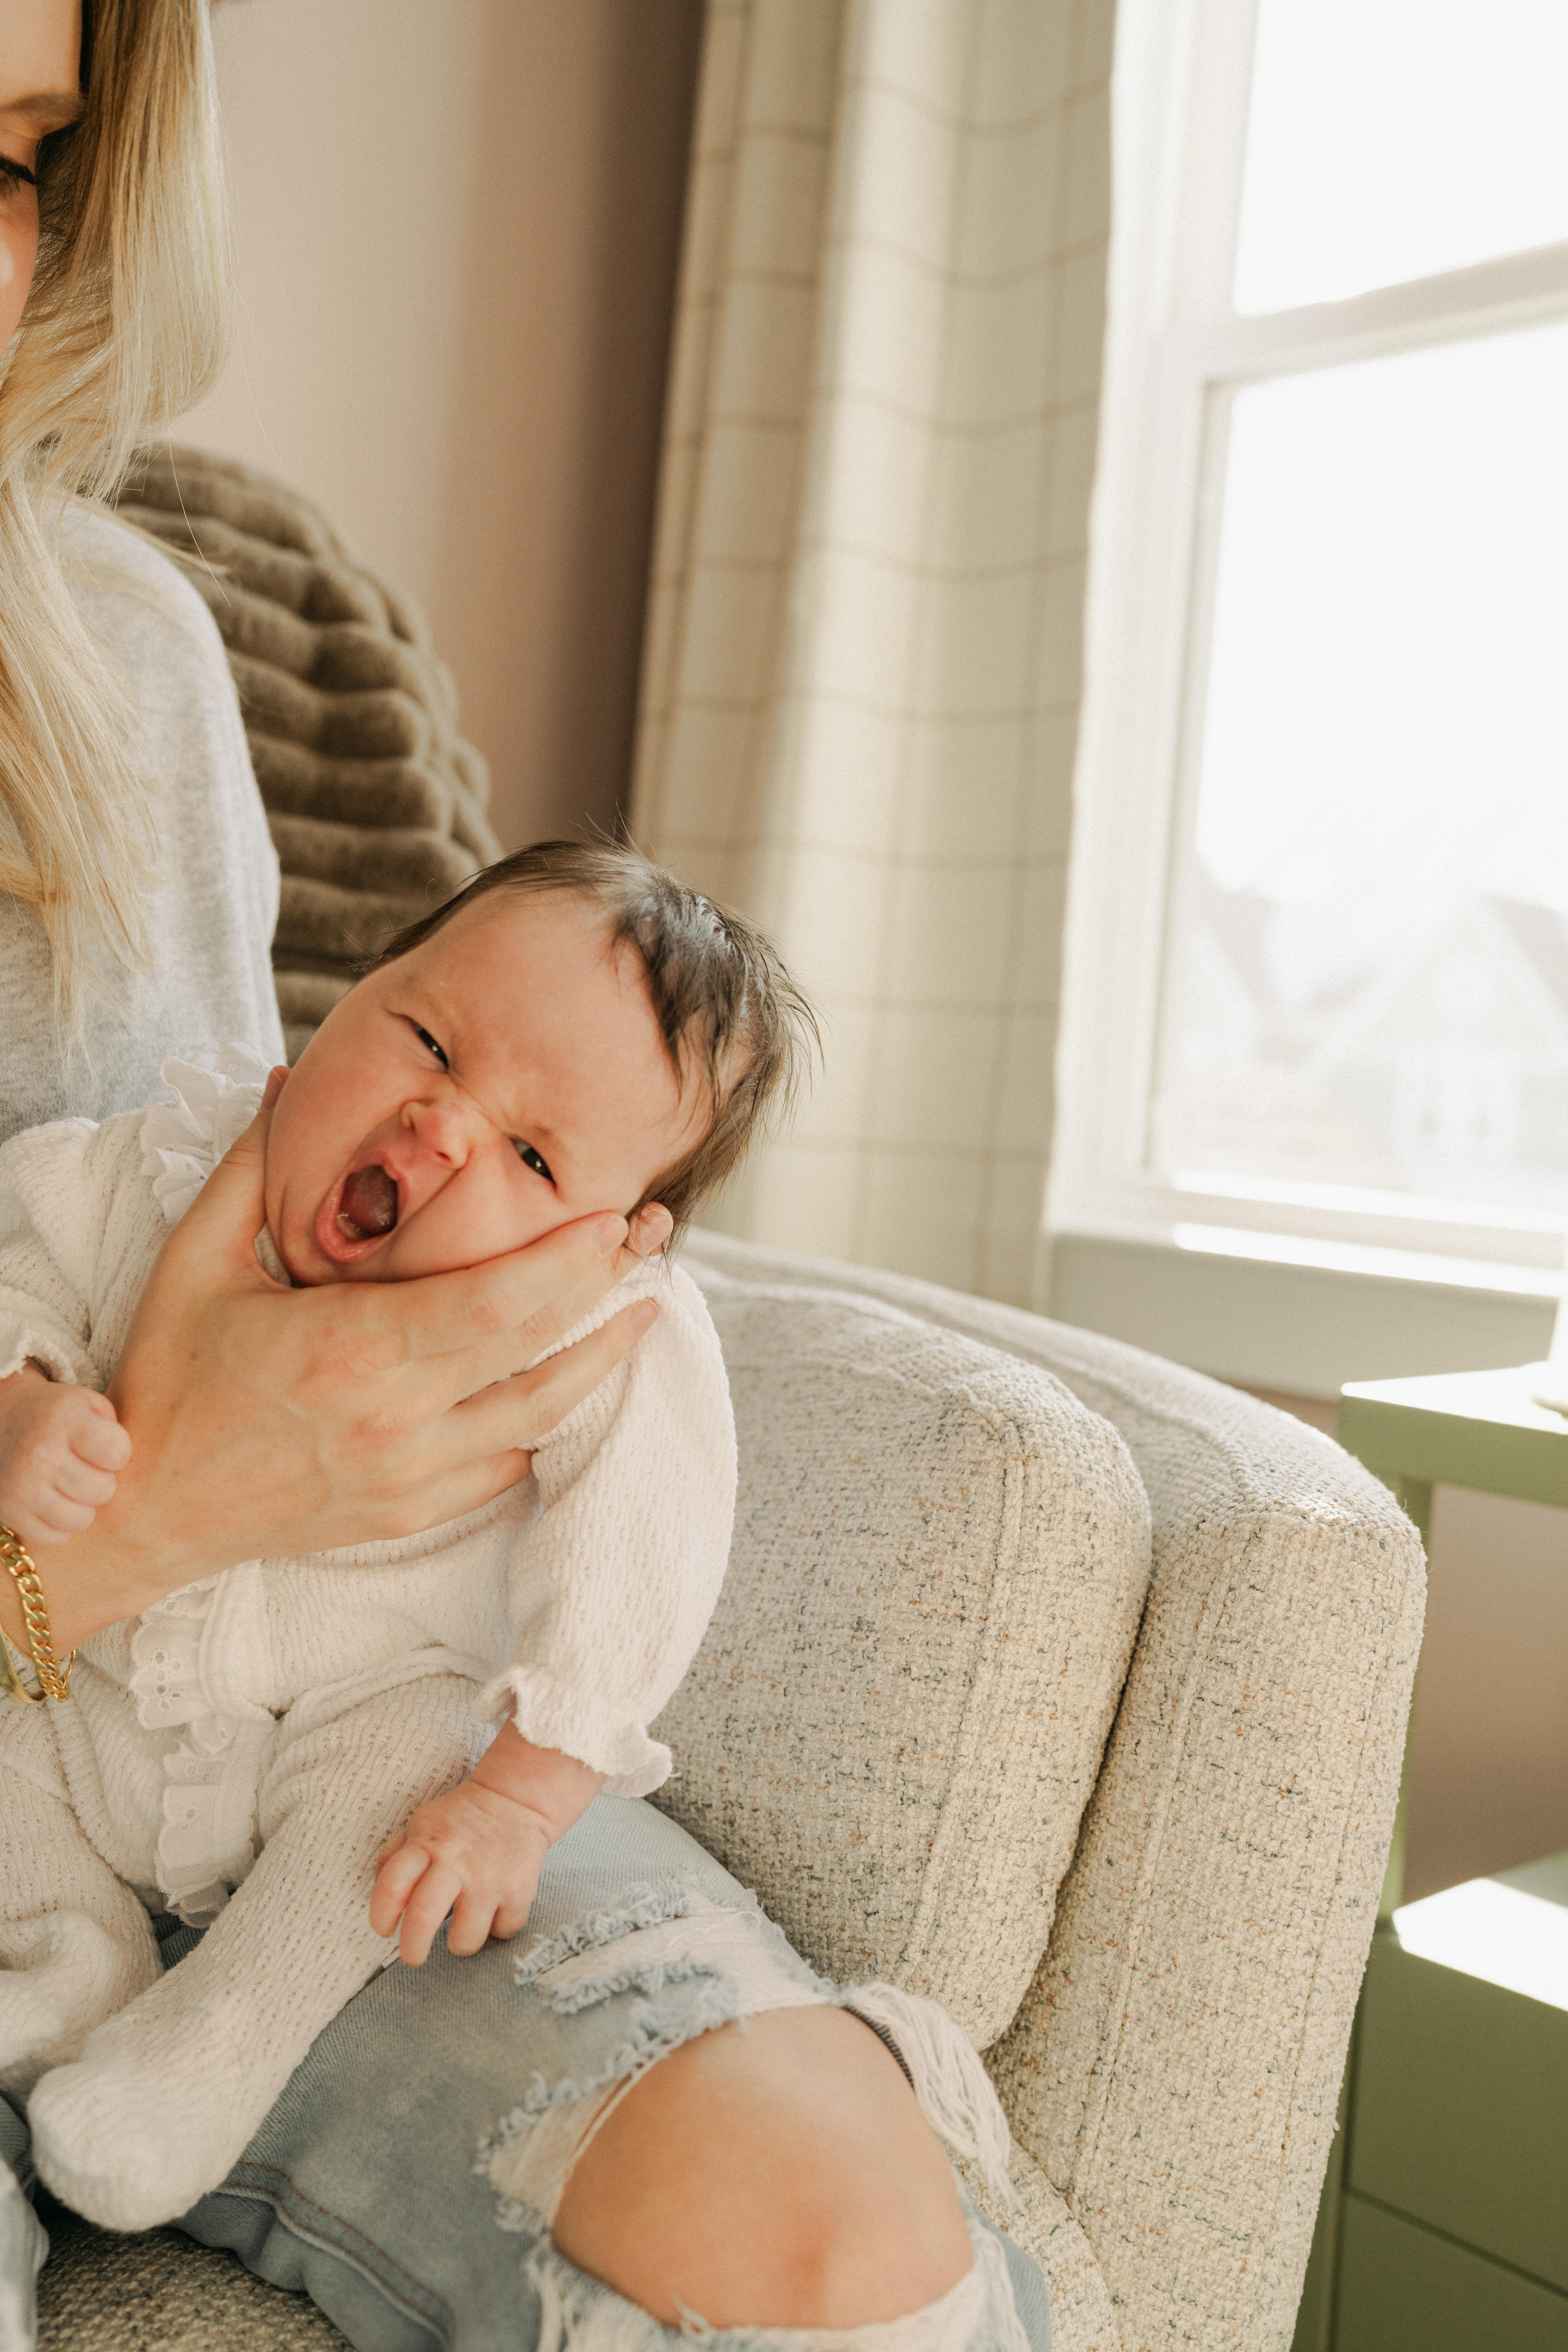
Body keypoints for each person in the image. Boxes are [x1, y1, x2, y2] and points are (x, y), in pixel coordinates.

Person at [0, 5, 1054, 2348]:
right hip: (46, 1718)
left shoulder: (124, 664)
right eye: (425, 1037)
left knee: (820, 2237)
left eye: (15, 156)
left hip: (337, 1751)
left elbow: (193, 1215)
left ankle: (184, 2049)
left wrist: (529, 1768)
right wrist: (130, 1526)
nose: (437, 1123)